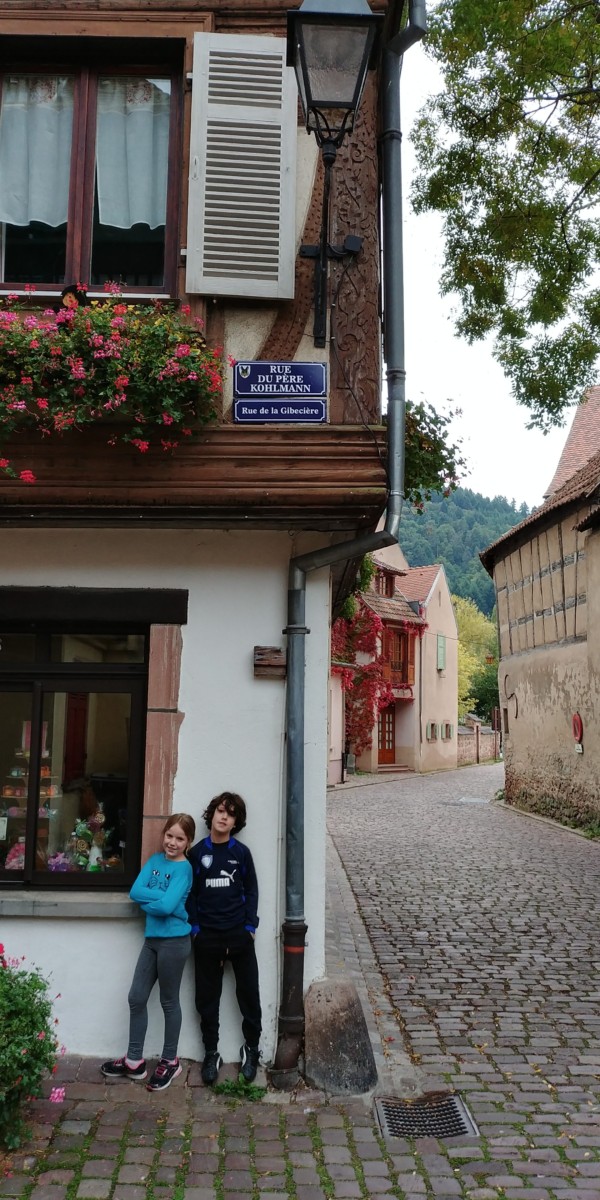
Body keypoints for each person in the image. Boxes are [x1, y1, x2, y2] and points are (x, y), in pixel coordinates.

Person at [100, 812, 196, 1091]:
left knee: (169, 1001)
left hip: (175, 942)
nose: (172, 842)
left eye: (180, 839)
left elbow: (165, 907)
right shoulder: (154, 861)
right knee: (136, 997)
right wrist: (167, 902)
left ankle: (170, 1060)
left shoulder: (184, 869)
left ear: (188, 842)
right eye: (169, 835)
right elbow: (135, 891)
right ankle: (134, 1061)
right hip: (152, 940)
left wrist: (164, 904)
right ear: (163, 834)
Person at [187, 792, 261, 1085]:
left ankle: (251, 1048)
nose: (224, 817)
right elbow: (190, 895)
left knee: (249, 995)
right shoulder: (196, 854)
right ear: (212, 814)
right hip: (207, 937)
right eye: (220, 811)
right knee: (206, 999)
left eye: (230, 814)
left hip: (238, 936)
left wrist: (250, 926)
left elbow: (252, 890)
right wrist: (195, 929)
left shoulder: (241, 853)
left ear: (236, 822)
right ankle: (211, 1053)